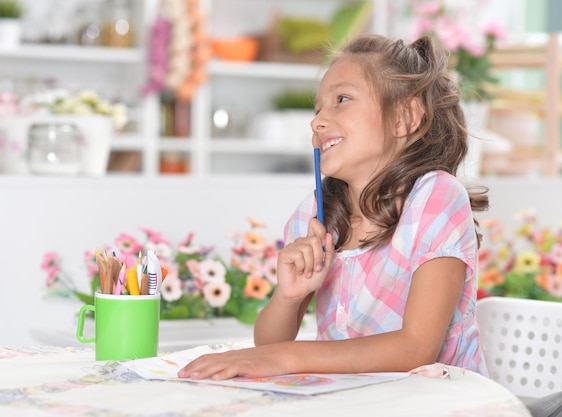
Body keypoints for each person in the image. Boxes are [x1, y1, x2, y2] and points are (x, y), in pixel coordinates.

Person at [178, 33, 489, 380]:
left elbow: (416, 347)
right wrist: (289, 297)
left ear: (405, 117)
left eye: (341, 99)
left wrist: (289, 357)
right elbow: (268, 345)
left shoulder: (436, 197)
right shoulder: (315, 214)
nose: (317, 121)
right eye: (317, 109)